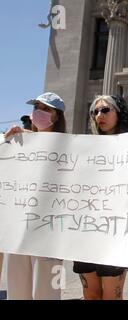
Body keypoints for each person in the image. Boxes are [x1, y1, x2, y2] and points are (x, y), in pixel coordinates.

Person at [4, 92, 66, 299]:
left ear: (57, 115)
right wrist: (7, 142)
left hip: (49, 232)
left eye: (46, 109)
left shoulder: (70, 148)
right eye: (36, 108)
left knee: (46, 292)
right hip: (18, 232)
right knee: (17, 291)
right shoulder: (19, 143)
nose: (38, 112)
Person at [72, 94, 128, 300]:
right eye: (95, 111)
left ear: (119, 113)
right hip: (84, 232)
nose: (100, 115)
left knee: (112, 296)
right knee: (90, 294)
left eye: (106, 110)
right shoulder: (82, 149)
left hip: (116, 233)